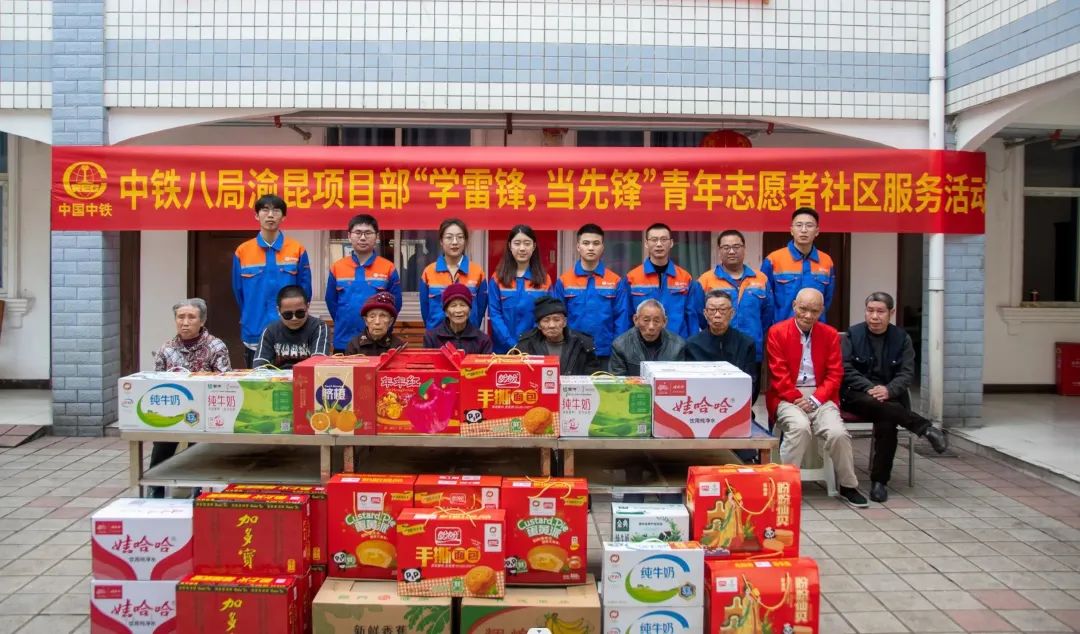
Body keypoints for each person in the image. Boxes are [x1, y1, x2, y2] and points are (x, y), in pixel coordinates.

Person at [842, 292, 949, 503]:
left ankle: (879, 482)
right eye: (870, 311)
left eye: (880, 312)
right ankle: (924, 428)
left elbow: (906, 373)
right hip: (858, 396)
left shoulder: (901, 339)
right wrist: (871, 388)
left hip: (890, 398)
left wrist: (889, 390)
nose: (874, 316)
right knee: (883, 408)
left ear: (891, 313)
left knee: (887, 420)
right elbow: (846, 369)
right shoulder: (853, 335)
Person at [767, 288, 867, 509]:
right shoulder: (777, 332)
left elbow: (835, 373)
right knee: (799, 427)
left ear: (822, 310)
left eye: (814, 311)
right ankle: (785, 485)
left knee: (838, 433)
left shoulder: (829, 334)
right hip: (787, 395)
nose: (808, 315)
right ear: (794, 305)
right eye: (803, 309)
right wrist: (796, 397)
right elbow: (778, 373)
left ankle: (848, 485)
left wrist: (816, 398)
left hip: (821, 395)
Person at [148, 298, 232, 498]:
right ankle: (155, 489)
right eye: (180, 317)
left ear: (202, 321)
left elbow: (225, 381)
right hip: (173, 410)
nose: (185, 322)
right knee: (162, 442)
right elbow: (156, 382)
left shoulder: (216, 346)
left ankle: (199, 491)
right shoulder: (167, 349)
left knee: (200, 447)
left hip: (205, 411)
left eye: (191, 317)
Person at [232, 194, 313, 367]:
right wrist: (250, 314)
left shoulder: (297, 250)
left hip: (291, 332)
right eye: (265, 210)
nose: (270, 215)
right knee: (257, 381)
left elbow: (305, 292)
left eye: (276, 210)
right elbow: (239, 293)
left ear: (283, 217)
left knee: (293, 381)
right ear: (256, 215)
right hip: (255, 330)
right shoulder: (242, 251)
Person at [694, 229, 773, 370]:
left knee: (750, 384)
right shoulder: (705, 280)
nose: (731, 251)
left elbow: (767, 316)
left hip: (751, 350)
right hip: (715, 350)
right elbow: (700, 316)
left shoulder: (761, 279)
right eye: (726, 247)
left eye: (736, 247)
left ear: (744, 249)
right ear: (719, 251)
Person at [553, 224, 630, 367]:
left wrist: (617, 349)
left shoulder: (615, 281)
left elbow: (621, 319)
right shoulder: (564, 281)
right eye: (586, 243)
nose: (591, 248)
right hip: (573, 352)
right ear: (578, 246)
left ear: (602, 247)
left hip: (606, 353)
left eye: (596, 243)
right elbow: (557, 318)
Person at [325, 214, 402, 353]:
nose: (362, 238)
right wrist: (345, 320)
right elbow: (331, 302)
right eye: (358, 233)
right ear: (349, 236)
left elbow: (395, 305)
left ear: (376, 236)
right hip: (344, 340)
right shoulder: (337, 267)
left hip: (378, 343)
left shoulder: (388, 268)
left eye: (368, 233)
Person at [625, 223, 699, 339]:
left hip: (677, 343)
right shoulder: (632, 278)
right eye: (654, 240)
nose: (659, 244)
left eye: (664, 239)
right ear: (646, 243)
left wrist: (693, 345)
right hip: (643, 342)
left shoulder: (685, 278)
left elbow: (692, 317)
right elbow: (626, 317)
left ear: (671, 243)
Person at [761, 208, 836, 323]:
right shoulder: (773, 260)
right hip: (782, 328)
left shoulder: (826, 261)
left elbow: (827, 299)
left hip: (815, 327)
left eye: (809, 225)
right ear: (791, 230)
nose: (804, 230)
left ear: (817, 231)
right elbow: (765, 300)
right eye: (799, 225)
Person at [488, 224, 553, 353]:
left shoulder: (545, 280)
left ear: (533, 246)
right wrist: (511, 344)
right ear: (509, 246)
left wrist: (528, 343)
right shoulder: (497, 278)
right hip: (503, 349)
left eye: (527, 243)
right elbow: (494, 314)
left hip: (534, 348)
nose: (522, 248)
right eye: (517, 243)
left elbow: (546, 314)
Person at [419, 218, 488, 330]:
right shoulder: (429, 272)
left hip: (468, 336)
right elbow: (425, 310)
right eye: (449, 237)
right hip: (437, 336)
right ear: (441, 241)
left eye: (460, 237)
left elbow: (480, 310)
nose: (455, 242)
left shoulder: (477, 272)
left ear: (465, 240)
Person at [686, 290, 758, 395]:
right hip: (702, 399)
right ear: (705, 314)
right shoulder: (692, 344)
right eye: (712, 310)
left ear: (732, 313)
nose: (717, 315)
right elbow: (690, 383)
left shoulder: (746, 343)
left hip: (735, 398)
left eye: (723, 310)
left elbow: (751, 383)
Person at [515, 297, 600, 375]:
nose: (552, 325)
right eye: (546, 321)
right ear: (539, 325)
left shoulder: (582, 344)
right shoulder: (526, 345)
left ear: (564, 322)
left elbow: (593, 374)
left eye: (556, 320)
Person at [253, 285, 329, 369]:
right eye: (288, 314)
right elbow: (259, 365)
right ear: (278, 311)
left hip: (309, 375)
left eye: (300, 313)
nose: (294, 318)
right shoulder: (270, 331)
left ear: (307, 307)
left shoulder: (319, 327)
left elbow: (318, 363)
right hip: (277, 377)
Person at [609, 299, 687, 377]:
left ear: (664, 322)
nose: (651, 327)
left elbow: (680, 379)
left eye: (656, 321)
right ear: (636, 320)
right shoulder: (621, 345)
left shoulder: (677, 346)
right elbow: (618, 380)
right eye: (646, 320)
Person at [423, 283, 493, 354]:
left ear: (469, 310)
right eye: (453, 306)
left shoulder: (483, 341)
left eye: (463, 305)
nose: (458, 310)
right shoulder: (432, 338)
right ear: (446, 312)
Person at [345, 291, 406, 355]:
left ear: (390, 321)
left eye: (383, 316)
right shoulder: (354, 345)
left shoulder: (398, 346)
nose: (377, 322)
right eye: (372, 316)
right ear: (366, 321)